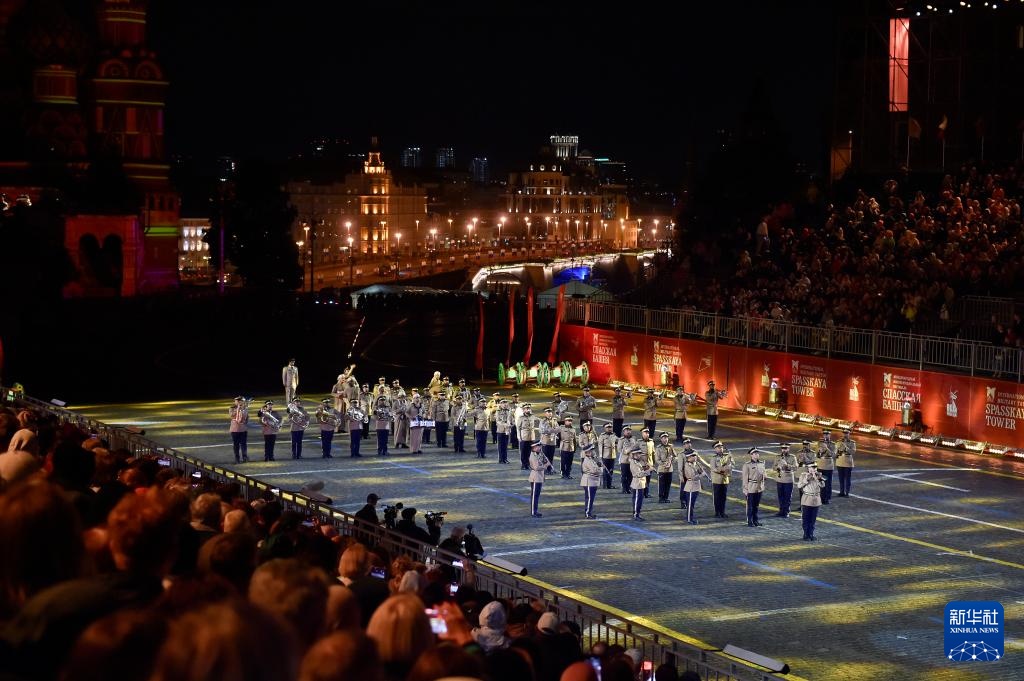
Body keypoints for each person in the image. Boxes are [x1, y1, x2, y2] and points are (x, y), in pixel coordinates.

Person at [798, 462, 824, 540]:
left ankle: (811, 534)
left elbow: (823, 485)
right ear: (808, 468)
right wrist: (807, 480)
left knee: (813, 519)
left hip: (816, 499)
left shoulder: (819, 476)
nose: (814, 469)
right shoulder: (803, 475)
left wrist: (817, 478)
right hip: (807, 499)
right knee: (806, 518)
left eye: (815, 468)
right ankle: (806, 534)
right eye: (812, 468)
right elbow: (799, 485)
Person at [741, 447, 766, 527]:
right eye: (755, 453)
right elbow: (745, 478)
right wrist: (745, 489)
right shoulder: (747, 465)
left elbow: (764, 475)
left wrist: (765, 476)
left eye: (757, 453)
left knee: (756, 505)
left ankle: (755, 520)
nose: (757, 455)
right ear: (751, 455)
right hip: (751, 487)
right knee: (750, 506)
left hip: (759, 487)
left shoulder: (761, 463)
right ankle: (750, 521)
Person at [680, 448, 704, 524]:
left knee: (692, 504)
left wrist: (701, 470)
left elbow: (698, 472)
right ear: (689, 457)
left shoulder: (695, 464)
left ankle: (691, 518)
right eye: (694, 456)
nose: (695, 457)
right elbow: (692, 477)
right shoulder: (687, 465)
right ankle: (689, 519)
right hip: (691, 487)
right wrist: (701, 475)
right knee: (690, 505)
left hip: (695, 486)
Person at [772, 443, 797, 517]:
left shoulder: (792, 457)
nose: (784, 450)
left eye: (785, 448)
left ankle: (786, 512)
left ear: (788, 449)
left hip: (788, 479)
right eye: (783, 448)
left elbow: (795, 468)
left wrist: (786, 465)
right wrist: (778, 467)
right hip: (780, 479)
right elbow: (773, 467)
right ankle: (781, 510)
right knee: (781, 496)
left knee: (787, 496)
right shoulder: (777, 457)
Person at [710, 441, 733, 518]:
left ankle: (722, 512)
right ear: (715, 449)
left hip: (725, 479)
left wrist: (730, 458)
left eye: (721, 447)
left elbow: (732, 464)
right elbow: (714, 469)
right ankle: (717, 512)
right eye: (719, 447)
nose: (721, 449)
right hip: (717, 480)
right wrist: (724, 469)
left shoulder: (726, 456)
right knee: (717, 497)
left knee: (723, 497)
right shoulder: (713, 458)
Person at [528, 441, 550, 517]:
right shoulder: (533, 456)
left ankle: (535, 511)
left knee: (537, 495)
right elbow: (537, 467)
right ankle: (533, 512)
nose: (540, 448)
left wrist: (546, 463)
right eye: (538, 446)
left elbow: (546, 460)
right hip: (535, 477)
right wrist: (545, 466)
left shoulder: (540, 453)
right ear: (534, 447)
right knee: (534, 496)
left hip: (539, 477)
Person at [580, 443, 601, 519]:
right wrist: (600, 467)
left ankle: (589, 512)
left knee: (591, 498)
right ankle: (587, 513)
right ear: (588, 452)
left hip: (592, 481)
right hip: (588, 481)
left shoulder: (591, 459)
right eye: (592, 450)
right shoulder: (588, 460)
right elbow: (594, 470)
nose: (594, 452)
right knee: (589, 498)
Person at [629, 444, 650, 520]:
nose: (639, 455)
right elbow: (638, 474)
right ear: (634, 454)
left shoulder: (638, 462)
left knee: (638, 500)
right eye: (638, 454)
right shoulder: (633, 463)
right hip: (637, 484)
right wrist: (648, 471)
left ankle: (636, 513)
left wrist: (646, 467)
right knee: (637, 500)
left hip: (640, 484)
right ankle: (636, 514)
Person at [516, 403, 540, 471]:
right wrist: (519, 437)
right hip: (524, 436)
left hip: (531, 436)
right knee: (523, 452)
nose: (528, 410)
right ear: (523, 410)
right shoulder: (521, 418)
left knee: (530, 452)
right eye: (526, 409)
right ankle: (524, 465)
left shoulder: (532, 416)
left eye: (529, 408)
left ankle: (528, 464)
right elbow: (518, 428)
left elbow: (538, 420)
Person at [654, 432, 676, 503]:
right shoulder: (658, 448)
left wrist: (671, 461)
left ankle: (666, 497)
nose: (665, 439)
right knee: (661, 484)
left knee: (668, 484)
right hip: (662, 469)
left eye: (666, 438)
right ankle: (661, 498)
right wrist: (664, 464)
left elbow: (675, 455)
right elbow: (657, 459)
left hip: (670, 469)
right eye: (664, 438)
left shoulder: (671, 446)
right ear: (661, 439)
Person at [815, 428, 835, 504]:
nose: (825, 435)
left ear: (830, 435)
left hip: (828, 465)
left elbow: (833, 454)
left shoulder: (832, 444)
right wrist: (819, 452)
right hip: (820, 464)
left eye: (827, 434)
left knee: (827, 483)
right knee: (820, 481)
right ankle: (820, 497)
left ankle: (826, 498)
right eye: (824, 434)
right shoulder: (819, 443)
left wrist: (826, 447)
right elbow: (817, 454)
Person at [835, 427, 856, 497]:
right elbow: (836, 451)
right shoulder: (838, 441)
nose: (845, 435)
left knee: (847, 479)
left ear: (849, 434)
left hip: (848, 462)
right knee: (841, 478)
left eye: (847, 433)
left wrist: (846, 447)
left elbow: (853, 452)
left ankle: (847, 493)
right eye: (844, 433)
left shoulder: (852, 442)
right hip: (840, 461)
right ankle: (841, 492)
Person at [617, 425, 638, 494]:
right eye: (626, 430)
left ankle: (629, 488)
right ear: (623, 432)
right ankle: (624, 488)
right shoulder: (621, 440)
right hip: (624, 460)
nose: (628, 432)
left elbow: (636, 448)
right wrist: (628, 450)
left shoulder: (633, 439)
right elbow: (619, 449)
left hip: (632, 460)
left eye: (629, 430)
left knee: (631, 475)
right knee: (624, 475)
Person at [597, 423, 617, 490]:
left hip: (612, 456)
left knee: (611, 471)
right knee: (605, 471)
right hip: (605, 456)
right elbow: (600, 446)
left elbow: (617, 442)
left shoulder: (614, 435)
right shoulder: (602, 436)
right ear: (605, 428)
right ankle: (605, 485)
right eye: (608, 427)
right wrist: (600, 456)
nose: (609, 428)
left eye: (610, 427)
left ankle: (609, 484)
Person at [229, 396, 249, 464]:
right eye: (237, 401)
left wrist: (243, 409)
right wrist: (238, 409)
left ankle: (245, 457)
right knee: (236, 445)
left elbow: (247, 418)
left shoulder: (245, 408)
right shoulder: (232, 408)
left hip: (243, 429)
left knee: (244, 444)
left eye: (239, 401)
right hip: (235, 429)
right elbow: (231, 415)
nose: (237, 402)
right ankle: (237, 458)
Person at [677, 438, 696, 509]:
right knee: (684, 489)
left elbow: (700, 460)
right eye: (686, 444)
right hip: (685, 475)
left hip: (693, 474)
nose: (689, 445)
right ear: (684, 445)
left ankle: (689, 502)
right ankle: (683, 501)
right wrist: (681, 477)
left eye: (689, 443)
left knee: (691, 489)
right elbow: (680, 467)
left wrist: (708, 465)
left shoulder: (694, 452)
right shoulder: (681, 455)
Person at [495, 399, 512, 464]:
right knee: (501, 446)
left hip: (507, 430)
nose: (504, 405)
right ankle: (501, 459)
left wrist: (511, 424)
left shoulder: (509, 411)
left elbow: (511, 419)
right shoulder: (498, 411)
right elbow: (497, 421)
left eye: (505, 403)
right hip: (500, 430)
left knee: (505, 445)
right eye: (503, 403)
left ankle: (505, 458)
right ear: (500, 404)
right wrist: (504, 424)